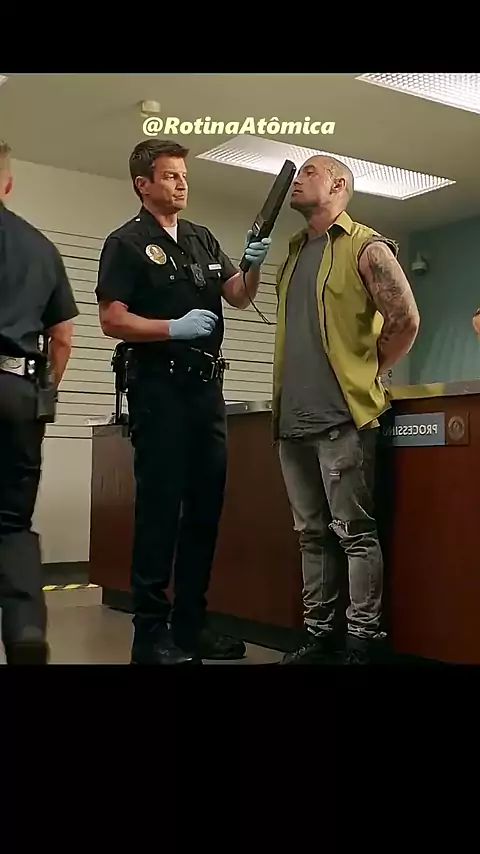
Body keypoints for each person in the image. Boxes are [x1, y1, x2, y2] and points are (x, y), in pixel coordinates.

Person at [95, 139, 271, 665]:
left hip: (205, 391)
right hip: (159, 389)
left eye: (184, 176)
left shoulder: (200, 238)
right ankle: (149, 635)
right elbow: (111, 319)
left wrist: (252, 265)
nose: (181, 184)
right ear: (142, 184)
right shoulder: (126, 243)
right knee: (159, 512)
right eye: (170, 176)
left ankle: (191, 627)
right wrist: (172, 327)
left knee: (204, 511)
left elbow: (239, 295)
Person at [273, 154, 420, 665]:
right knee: (311, 536)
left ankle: (363, 639)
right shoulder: (293, 252)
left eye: (309, 172)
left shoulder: (366, 246)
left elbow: (405, 319)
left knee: (354, 533)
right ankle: (320, 635)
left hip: (343, 421)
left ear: (337, 185)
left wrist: (367, 370)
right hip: (292, 421)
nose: (297, 179)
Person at [0, 140, 78, 664]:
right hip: (18, 394)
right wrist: (40, 393)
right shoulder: (40, 247)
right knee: (11, 524)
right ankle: (26, 629)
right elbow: (63, 336)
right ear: (7, 182)